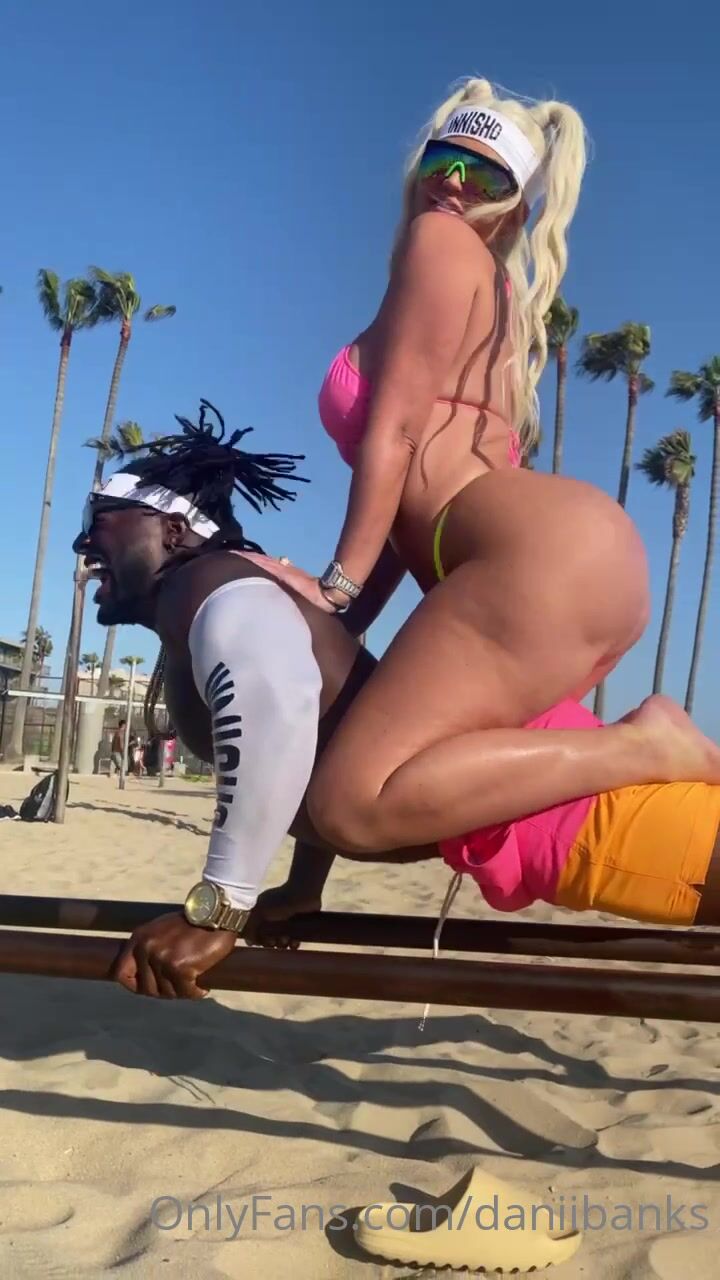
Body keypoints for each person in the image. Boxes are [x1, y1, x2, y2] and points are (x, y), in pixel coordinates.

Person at [72, 406, 720, 1000]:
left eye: (97, 519)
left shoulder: (205, 584)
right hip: (554, 800)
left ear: (175, 530)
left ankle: (645, 744)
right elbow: (321, 729)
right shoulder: (224, 596)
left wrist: (218, 907)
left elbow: (277, 703)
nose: (82, 545)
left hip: (572, 820)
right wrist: (304, 885)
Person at [240, 77, 711, 863]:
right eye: (443, 160)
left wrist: (334, 587)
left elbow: (395, 435)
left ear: (515, 209)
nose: (454, 184)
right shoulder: (493, 296)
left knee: (351, 804)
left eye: (486, 177)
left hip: (535, 561)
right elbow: (408, 502)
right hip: (581, 565)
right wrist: (349, 617)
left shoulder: (438, 241)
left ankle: (645, 744)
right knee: (423, 776)